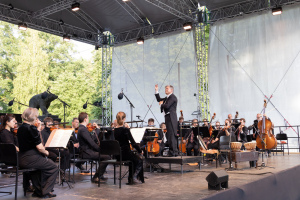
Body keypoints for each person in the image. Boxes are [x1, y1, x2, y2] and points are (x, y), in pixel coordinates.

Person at [17, 108, 58, 198]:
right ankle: (46, 191)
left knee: (37, 170)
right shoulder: (31, 128)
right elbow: (40, 148)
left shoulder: (21, 127)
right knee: (53, 167)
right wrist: (47, 153)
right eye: (36, 117)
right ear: (33, 118)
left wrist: (38, 129)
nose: (37, 119)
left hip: (21, 158)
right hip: (31, 158)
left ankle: (38, 191)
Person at [77, 112, 110, 183]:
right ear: (85, 119)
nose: (88, 120)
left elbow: (92, 138)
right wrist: (100, 150)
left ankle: (100, 176)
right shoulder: (82, 129)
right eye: (88, 118)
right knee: (106, 157)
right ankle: (96, 177)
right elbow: (91, 143)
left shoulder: (83, 128)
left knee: (105, 157)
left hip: (88, 151)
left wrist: (97, 129)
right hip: (86, 152)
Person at [114, 112, 144, 184]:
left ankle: (131, 179)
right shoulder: (125, 130)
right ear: (124, 119)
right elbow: (133, 143)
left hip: (117, 155)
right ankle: (133, 177)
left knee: (133, 159)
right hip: (125, 153)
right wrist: (140, 151)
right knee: (140, 160)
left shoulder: (114, 130)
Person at [155, 84, 178, 156]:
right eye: (165, 88)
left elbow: (167, 105)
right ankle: (172, 151)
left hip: (171, 117)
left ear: (171, 90)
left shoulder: (172, 97)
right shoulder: (167, 98)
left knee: (172, 135)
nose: (166, 90)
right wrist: (156, 91)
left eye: (167, 88)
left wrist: (161, 104)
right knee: (169, 134)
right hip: (167, 117)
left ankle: (174, 151)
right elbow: (159, 99)